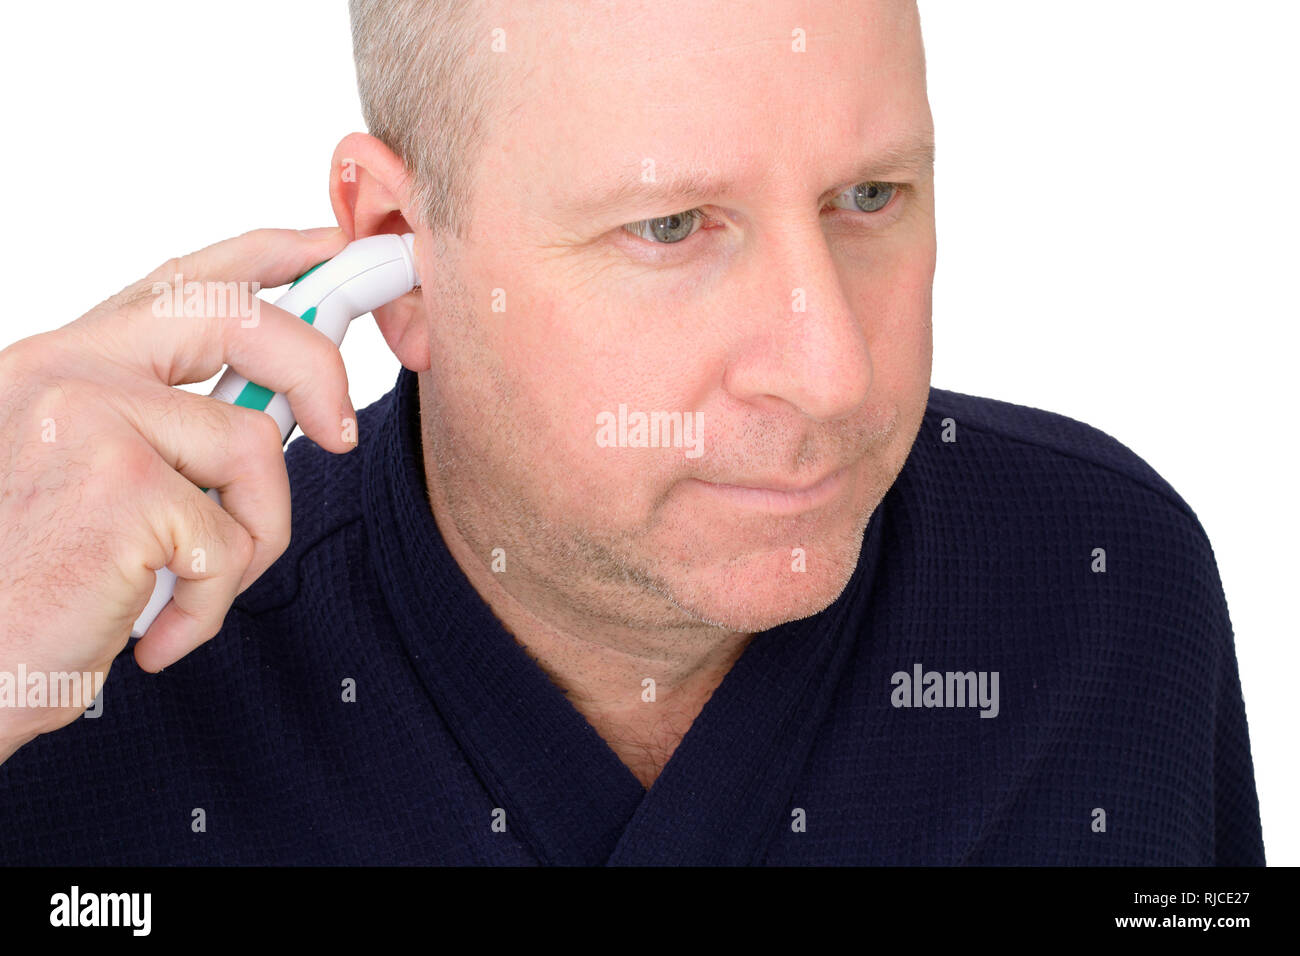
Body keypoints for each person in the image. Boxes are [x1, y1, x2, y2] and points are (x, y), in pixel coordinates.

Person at [0, 0, 1264, 865]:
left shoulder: (1113, 588)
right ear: (400, 249)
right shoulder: (75, 685)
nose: (831, 372)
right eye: (669, 227)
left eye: (869, 196)